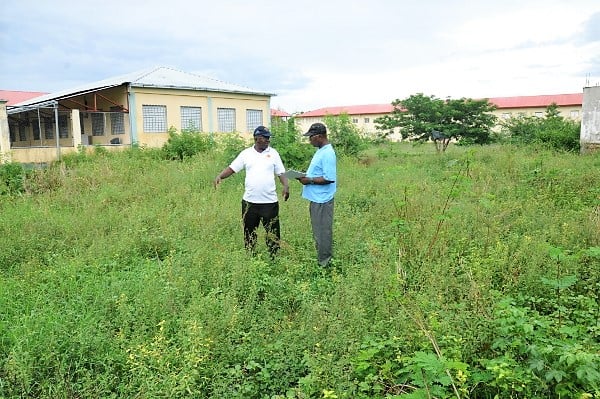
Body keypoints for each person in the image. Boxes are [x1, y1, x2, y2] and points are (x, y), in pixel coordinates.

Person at [214, 125, 289, 258]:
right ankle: (250, 256)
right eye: (265, 138)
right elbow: (232, 168)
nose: (268, 140)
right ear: (256, 139)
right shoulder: (246, 154)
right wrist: (220, 176)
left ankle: (274, 258)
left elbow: (281, 172)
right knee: (249, 232)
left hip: (269, 203)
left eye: (268, 138)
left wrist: (285, 185)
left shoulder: (274, 153)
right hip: (250, 203)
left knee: (272, 232)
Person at [297, 122, 337, 267]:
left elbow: (328, 178)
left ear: (319, 136)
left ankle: (325, 263)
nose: (309, 140)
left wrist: (309, 180)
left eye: (311, 137)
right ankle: (322, 259)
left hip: (322, 199)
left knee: (323, 232)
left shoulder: (327, 153)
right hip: (317, 198)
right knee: (318, 231)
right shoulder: (321, 150)